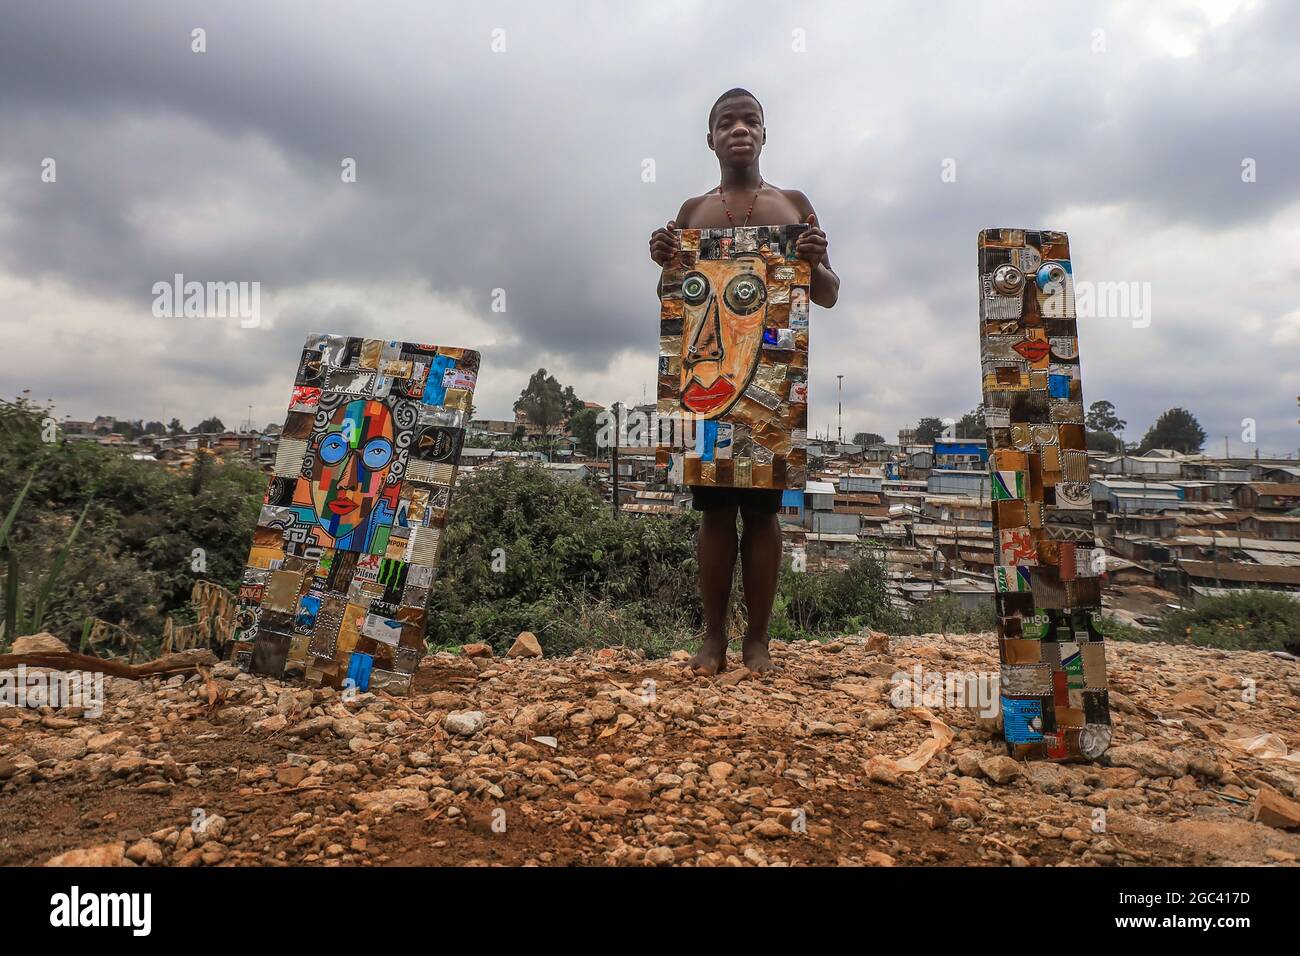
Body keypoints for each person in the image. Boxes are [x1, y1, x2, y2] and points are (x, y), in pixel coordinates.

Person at [648, 88, 840, 675]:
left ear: (764, 134)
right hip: (707, 379)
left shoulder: (794, 204)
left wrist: (814, 260)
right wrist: (667, 266)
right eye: (726, 122)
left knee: (761, 513)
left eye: (750, 121)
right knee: (712, 512)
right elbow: (672, 303)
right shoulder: (690, 214)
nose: (739, 130)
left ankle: (757, 641)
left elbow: (828, 294)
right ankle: (712, 640)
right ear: (710, 139)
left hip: (774, 379)